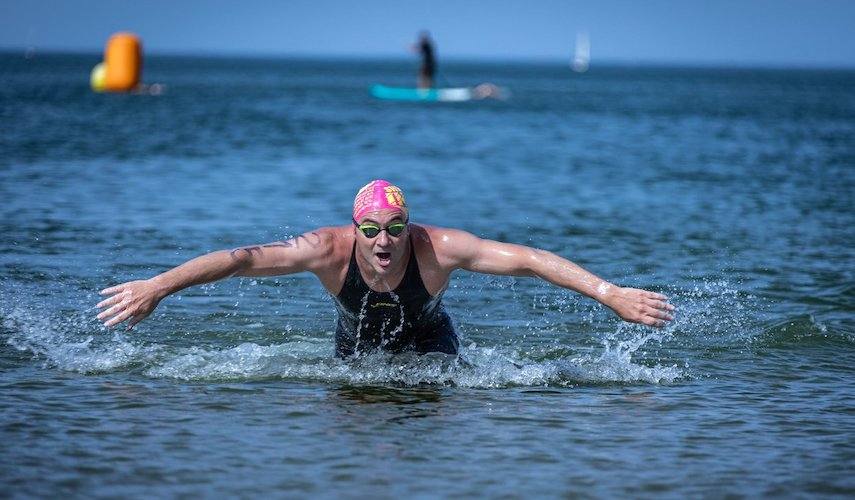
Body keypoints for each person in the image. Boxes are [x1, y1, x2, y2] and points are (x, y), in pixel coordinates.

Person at [97, 179, 675, 358]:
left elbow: (527, 261)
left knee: (432, 412)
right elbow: (240, 261)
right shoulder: (325, 249)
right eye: (370, 229)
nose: (382, 241)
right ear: (355, 229)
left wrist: (609, 292)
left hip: (433, 342)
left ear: (408, 228)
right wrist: (158, 286)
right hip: (354, 349)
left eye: (393, 229)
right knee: (351, 424)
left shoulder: (439, 247)